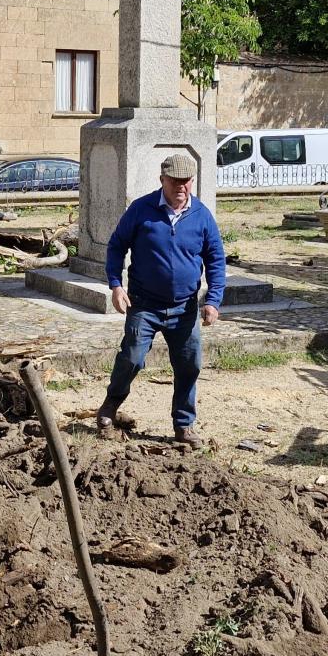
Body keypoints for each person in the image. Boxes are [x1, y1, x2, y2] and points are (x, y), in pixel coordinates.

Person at [96, 153, 226, 445]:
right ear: (162, 180)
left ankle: (184, 425)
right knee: (131, 359)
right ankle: (109, 409)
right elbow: (117, 246)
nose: (181, 187)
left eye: (186, 181)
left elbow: (216, 259)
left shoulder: (202, 215)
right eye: (175, 181)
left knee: (189, 365)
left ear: (192, 181)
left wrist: (213, 300)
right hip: (144, 303)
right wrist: (116, 285)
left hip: (185, 307)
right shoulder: (141, 210)